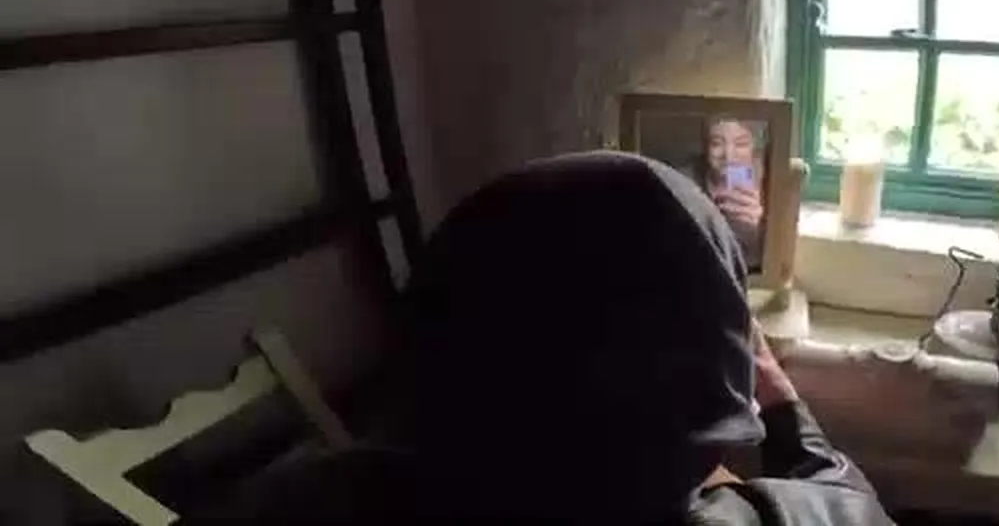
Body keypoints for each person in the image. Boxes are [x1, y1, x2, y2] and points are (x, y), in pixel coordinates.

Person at [186, 152, 893, 525]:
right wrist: (782, 403)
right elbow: (848, 497)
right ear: (720, 377)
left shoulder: (305, 498)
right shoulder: (790, 518)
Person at [692, 117, 766, 268]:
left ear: (754, 148)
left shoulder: (772, 183)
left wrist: (759, 229)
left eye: (741, 144)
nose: (729, 156)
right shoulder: (686, 180)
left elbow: (776, 260)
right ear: (705, 147)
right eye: (716, 143)